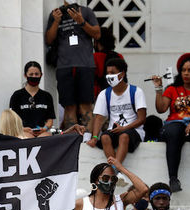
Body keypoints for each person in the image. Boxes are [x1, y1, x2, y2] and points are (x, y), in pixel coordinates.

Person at [151, 53, 190, 192]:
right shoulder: (172, 89)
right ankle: (173, 179)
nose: (186, 73)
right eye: (183, 70)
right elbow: (161, 109)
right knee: (175, 131)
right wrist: (158, 89)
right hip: (173, 126)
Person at [45, 0, 101, 131]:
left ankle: (88, 139)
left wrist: (81, 21)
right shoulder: (55, 13)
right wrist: (56, 21)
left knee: (86, 105)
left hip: (85, 65)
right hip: (64, 66)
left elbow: (97, 34)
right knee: (69, 106)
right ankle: (73, 139)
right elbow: (48, 40)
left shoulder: (86, 11)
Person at [87, 58, 147, 166]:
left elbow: (142, 119)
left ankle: (115, 170)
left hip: (134, 131)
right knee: (105, 137)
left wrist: (124, 128)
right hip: (114, 130)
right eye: (107, 73)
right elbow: (99, 118)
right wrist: (95, 137)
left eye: (113, 73)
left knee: (123, 136)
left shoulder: (136, 91)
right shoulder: (104, 94)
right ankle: (117, 172)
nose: (109, 76)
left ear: (122, 74)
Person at [9, 61, 55, 138]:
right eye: (31, 74)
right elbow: (12, 120)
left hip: (42, 132)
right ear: (25, 75)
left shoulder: (47, 96)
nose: (34, 76)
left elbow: (50, 120)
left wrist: (44, 129)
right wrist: (23, 129)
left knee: (46, 138)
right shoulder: (17, 95)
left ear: (41, 75)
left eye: (36, 74)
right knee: (28, 139)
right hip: (23, 131)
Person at [93, 27, 123, 100]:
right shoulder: (119, 56)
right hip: (119, 92)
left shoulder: (95, 57)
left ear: (97, 41)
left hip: (101, 94)